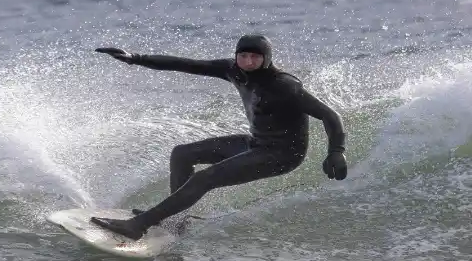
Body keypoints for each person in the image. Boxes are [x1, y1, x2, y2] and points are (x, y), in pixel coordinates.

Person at [88, 34, 348, 240]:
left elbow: (330, 115)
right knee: (182, 154)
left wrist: (336, 151)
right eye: (243, 56)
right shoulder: (233, 70)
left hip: (282, 155)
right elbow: (186, 65)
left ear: (267, 59)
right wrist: (136, 58)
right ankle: (174, 222)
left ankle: (139, 226)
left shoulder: (285, 86)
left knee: (205, 178)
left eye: (254, 58)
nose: (247, 62)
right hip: (256, 144)